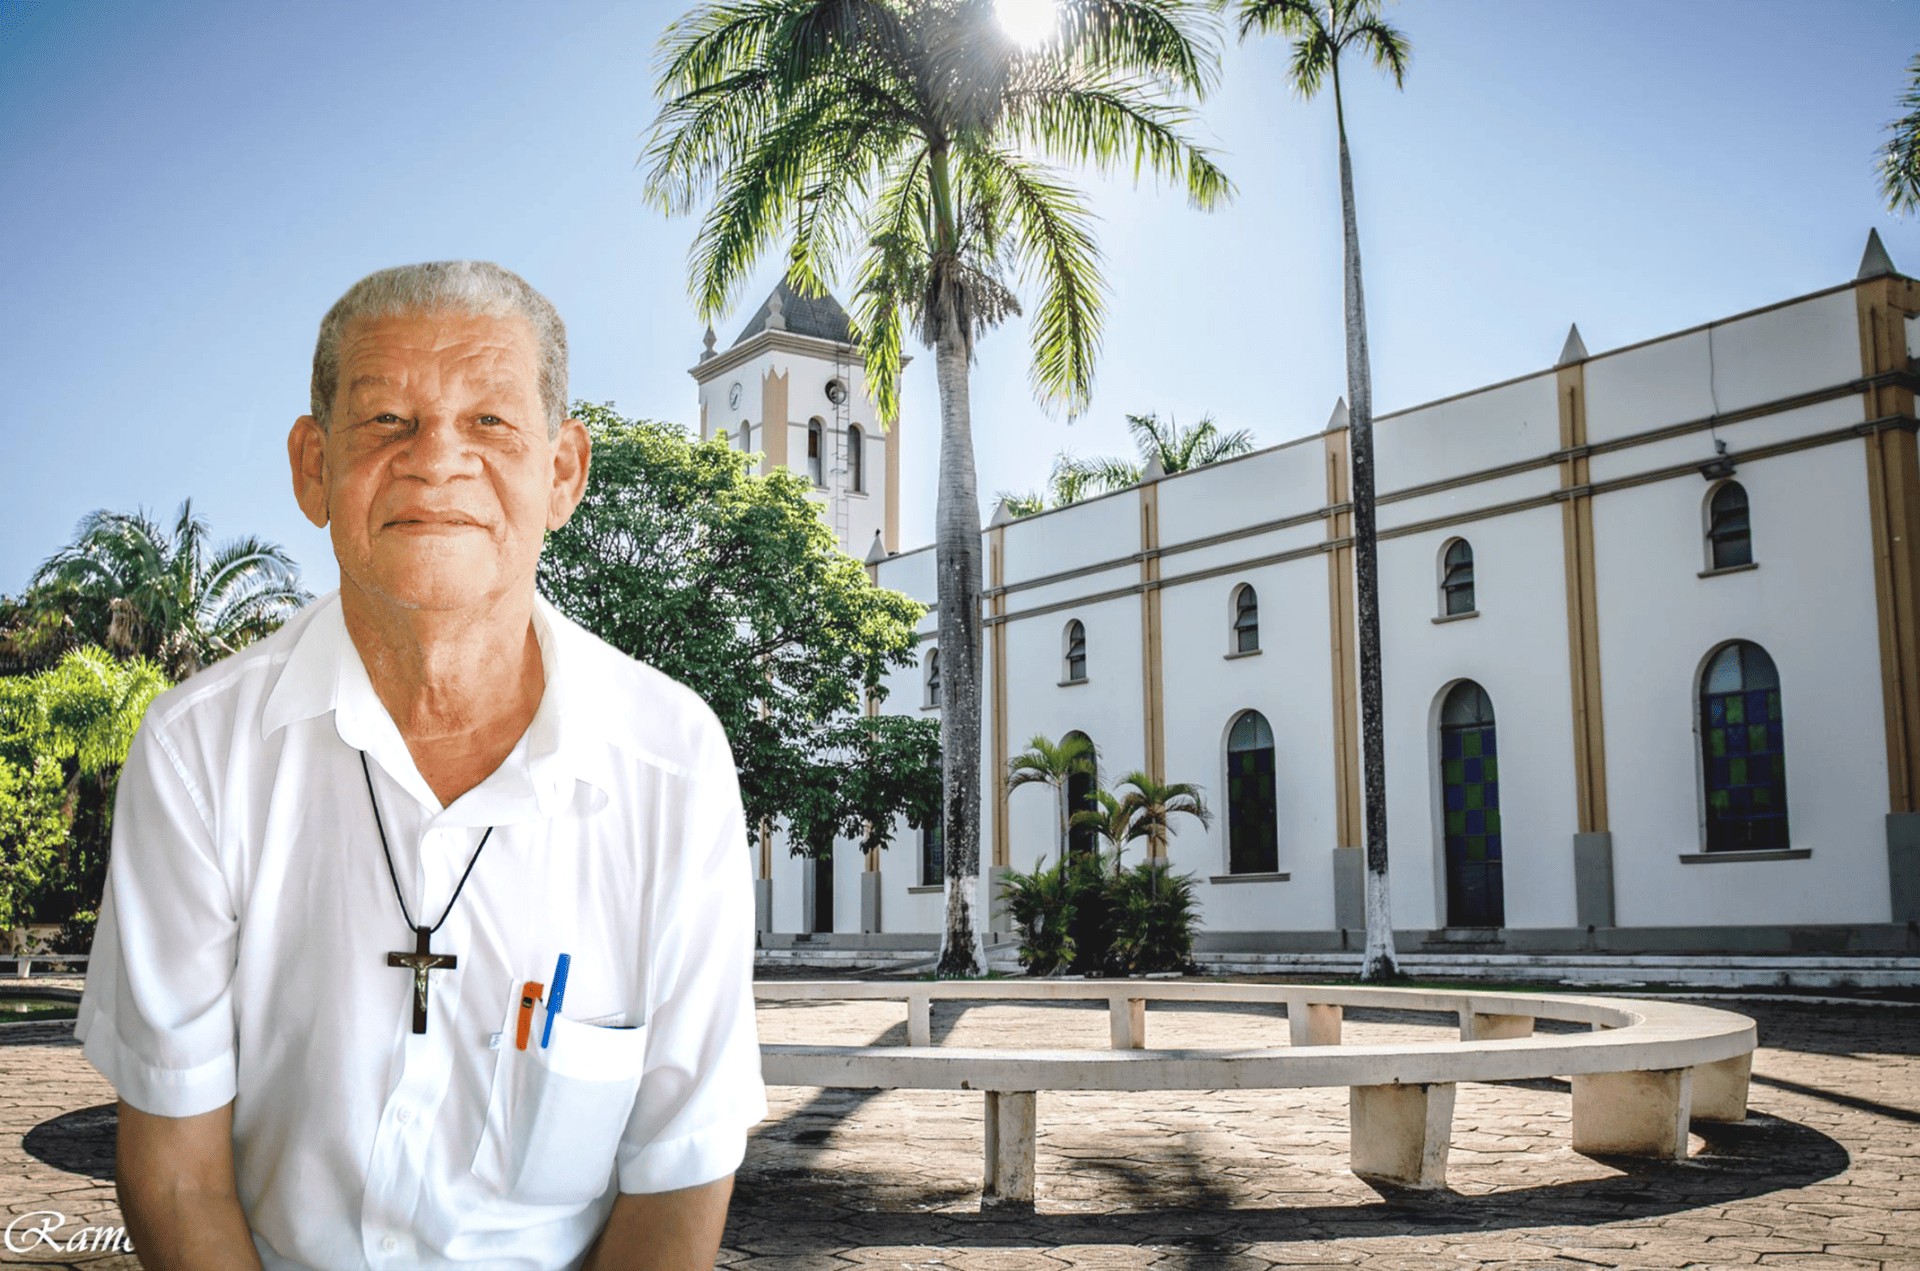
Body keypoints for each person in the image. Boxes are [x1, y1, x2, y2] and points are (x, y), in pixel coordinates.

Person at [74, 260, 768, 1270]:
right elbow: (177, 1175)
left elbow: (679, 1176)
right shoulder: (197, 751)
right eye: (387, 420)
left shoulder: (673, 758)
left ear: (563, 472)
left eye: (489, 422)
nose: (437, 458)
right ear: (313, 468)